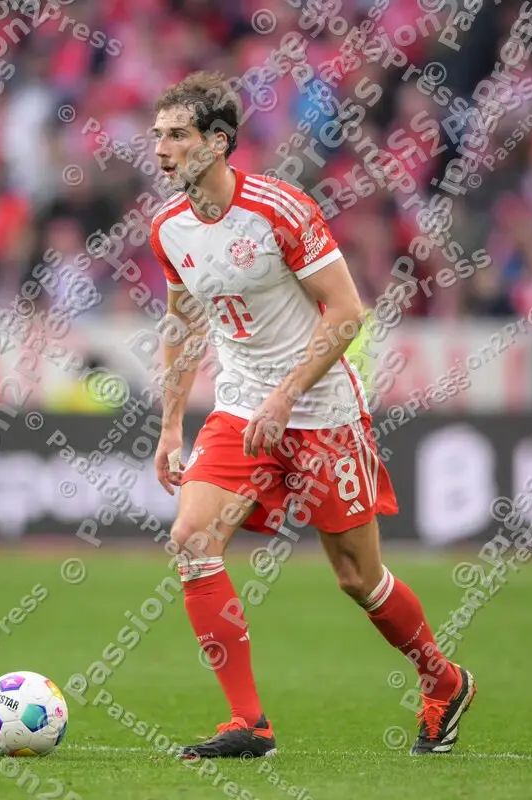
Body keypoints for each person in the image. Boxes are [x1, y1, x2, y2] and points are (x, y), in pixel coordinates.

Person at [148, 71, 477, 760]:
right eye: (157, 135)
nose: (162, 149)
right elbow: (182, 327)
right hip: (240, 408)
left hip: (320, 409)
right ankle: (249, 725)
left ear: (217, 142)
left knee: (358, 578)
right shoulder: (169, 230)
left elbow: (347, 313)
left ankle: (443, 680)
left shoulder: (280, 210)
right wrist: (170, 425)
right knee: (191, 539)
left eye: (177, 135)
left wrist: (286, 394)